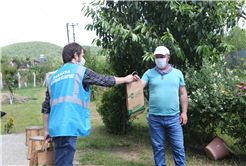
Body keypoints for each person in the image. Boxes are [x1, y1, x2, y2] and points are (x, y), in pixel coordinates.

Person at [41, 42, 139, 166]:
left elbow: (45, 107)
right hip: (68, 127)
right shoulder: (80, 72)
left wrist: (46, 130)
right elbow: (105, 80)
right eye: (82, 55)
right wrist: (125, 79)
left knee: (64, 160)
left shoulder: (53, 78)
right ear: (75, 55)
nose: (82, 59)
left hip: (56, 128)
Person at [141, 46, 188, 166]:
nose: (159, 59)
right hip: (155, 118)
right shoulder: (149, 73)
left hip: (174, 117)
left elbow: (183, 93)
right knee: (158, 148)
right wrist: (135, 81)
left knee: (179, 148)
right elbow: (139, 86)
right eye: (157, 57)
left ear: (168, 58)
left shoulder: (178, 73)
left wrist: (184, 112)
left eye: (162, 57)